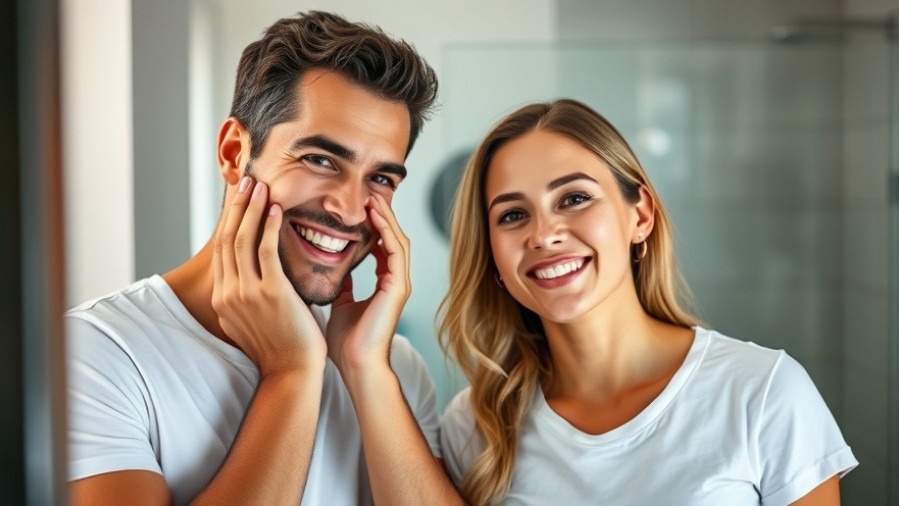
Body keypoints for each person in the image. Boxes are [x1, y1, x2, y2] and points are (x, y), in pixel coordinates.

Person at [66, 11, 463, 505]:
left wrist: (366, 370)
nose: (347, 207)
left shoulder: (390, 367)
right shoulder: (91, 355)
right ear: (235, 153)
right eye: (320, 160)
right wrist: (291, 372)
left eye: (380, 178)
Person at [438, 99, 857, 505]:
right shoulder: (475, 426)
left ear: (640, 217)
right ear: (492, 254)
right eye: (512, 215)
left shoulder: (763, 391)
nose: (544, 235)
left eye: (574, 198)